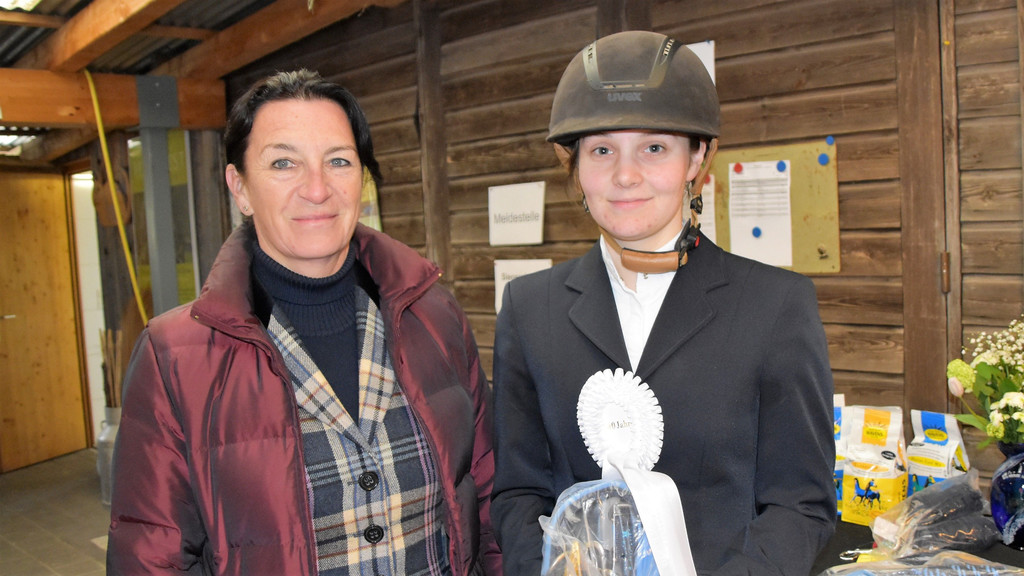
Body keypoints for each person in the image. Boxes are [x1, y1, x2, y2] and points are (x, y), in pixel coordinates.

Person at [107, 69, 502, 576]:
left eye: (338, 161)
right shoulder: (174, 357)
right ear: (240, 188)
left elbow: (489, 499)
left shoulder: (435, 316)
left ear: (361, 179)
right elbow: (150, 555)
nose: (316, 189)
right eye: (283, 163)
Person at [490, 31, 836, 575]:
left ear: (696, 158)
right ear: (576, 166)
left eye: (654, 148)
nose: (625, 175)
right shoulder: (529, 309)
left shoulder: (776, 306)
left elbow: (800, 506)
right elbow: (518, 493)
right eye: (602, 150)